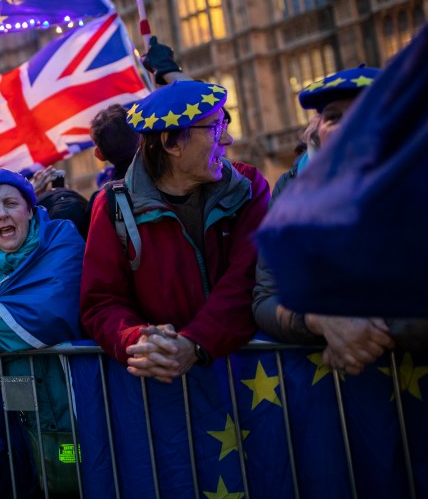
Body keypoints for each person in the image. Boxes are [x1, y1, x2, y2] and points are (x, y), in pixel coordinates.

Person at [80, 77, 270, 384]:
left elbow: (246, 278)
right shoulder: (113, 205)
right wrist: (139, 341)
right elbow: (101, 301)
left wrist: (195, 343)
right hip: (161, 387)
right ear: (170, 142)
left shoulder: (248, 188)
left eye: (225, 123)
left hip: (252, 379)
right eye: (215, 128)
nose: (228, 140)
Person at [0, 169, 85, 498]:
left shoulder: (62, 240)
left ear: (30, 208)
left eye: (11, 203)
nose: (3, 214)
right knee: (21, 481)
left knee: (74, 477)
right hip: (11, 412)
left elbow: (52, 315)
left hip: (68, 409)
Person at [253, 67, 399, 374]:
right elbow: (266, 297)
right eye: (334, 117)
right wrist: (320, 320)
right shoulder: (291, 190)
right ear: (317, 128)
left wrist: (363, 331)